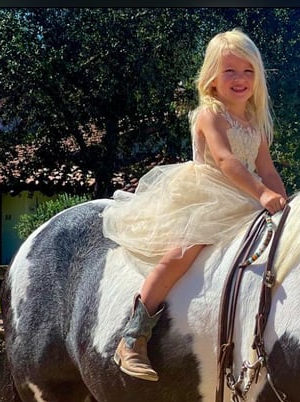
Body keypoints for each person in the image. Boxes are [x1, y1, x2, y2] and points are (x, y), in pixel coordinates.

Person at [102, 29, 287, 381]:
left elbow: (266, 168)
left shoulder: (254, 122)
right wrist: (262, 194)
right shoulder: (210, 114)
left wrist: (284, 202)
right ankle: (132, 337)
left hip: (244, 196)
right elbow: (225, 160)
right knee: (182, 253)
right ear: (212, 79)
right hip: (207, 196)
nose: (240, 79)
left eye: (248, 71)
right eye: (230, 71)